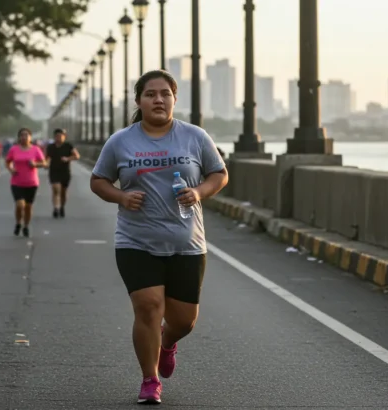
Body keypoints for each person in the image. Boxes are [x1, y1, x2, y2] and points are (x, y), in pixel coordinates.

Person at [90, 70, 228, 404]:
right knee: (149, 307)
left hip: (186, 242)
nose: (158, 100)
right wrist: (121, 197)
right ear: (139, 101)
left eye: (165, 93)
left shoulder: (194, 137)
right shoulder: (121, 141)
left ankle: (168, 342)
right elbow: (99, 180)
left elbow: (219, 174)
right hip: (136, 241)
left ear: (174, 99)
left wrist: (198, 192)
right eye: (150, 94)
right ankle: (150, 379)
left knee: (184, 320)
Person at [5, 128, 46, 237]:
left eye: (26, 135)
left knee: (28, 206)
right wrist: (11, 169)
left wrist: (35, 165)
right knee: (20, 204)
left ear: (30, 137)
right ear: (19, 137)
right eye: (22, 135)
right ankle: (18, 223)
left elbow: (44, 163)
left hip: (31, 182)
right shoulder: (14, 149)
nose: (24, 137)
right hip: (17, 181)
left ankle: (26, 225)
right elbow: (7, 162)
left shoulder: (36, 149)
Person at [45, 128, 80, 218]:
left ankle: (62, 206)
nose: (59, 138)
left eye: (61, 136)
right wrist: (46, 164)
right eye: (57, 136)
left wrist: (68, 159)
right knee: (56, 189)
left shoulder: (68, 146)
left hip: (65, 171)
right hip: (54, 171)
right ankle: (56, 208)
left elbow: (77, 156)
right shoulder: (51, 147)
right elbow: (47, 158)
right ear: (54, 137)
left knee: (63, 192)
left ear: (64, 137)